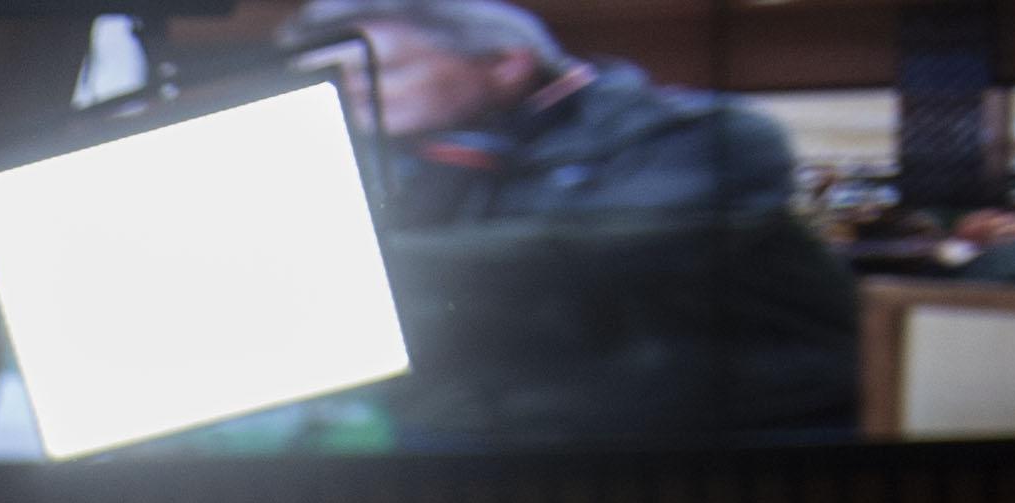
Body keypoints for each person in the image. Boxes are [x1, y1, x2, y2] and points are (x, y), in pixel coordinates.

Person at [283, 0, 861, 443]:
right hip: (496, 427)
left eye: (379, 71)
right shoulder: (401, 163)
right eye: (333, 79)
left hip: (724, 429)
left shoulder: (702, 132)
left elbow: (605, 252)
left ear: (506, 64)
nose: (352, 94)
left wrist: (359, 260)